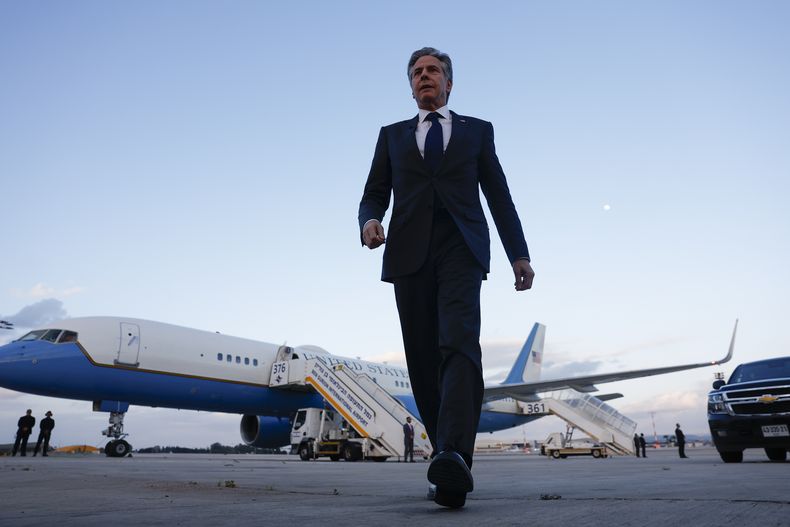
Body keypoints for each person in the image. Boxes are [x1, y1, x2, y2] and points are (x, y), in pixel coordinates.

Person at [358, 47, 534, 508]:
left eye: (432, 70)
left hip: (462, 247)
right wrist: (369, 221)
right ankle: (445, 460)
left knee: (458, 344)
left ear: (449, 83)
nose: (423, 77)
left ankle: (454, 452)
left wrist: (519, 254)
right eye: (416, 73)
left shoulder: (477, 131)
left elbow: (499, 195)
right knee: (421, 358)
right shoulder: (391, 136)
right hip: (408, 254)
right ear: (410, 85)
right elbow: (374, 193)